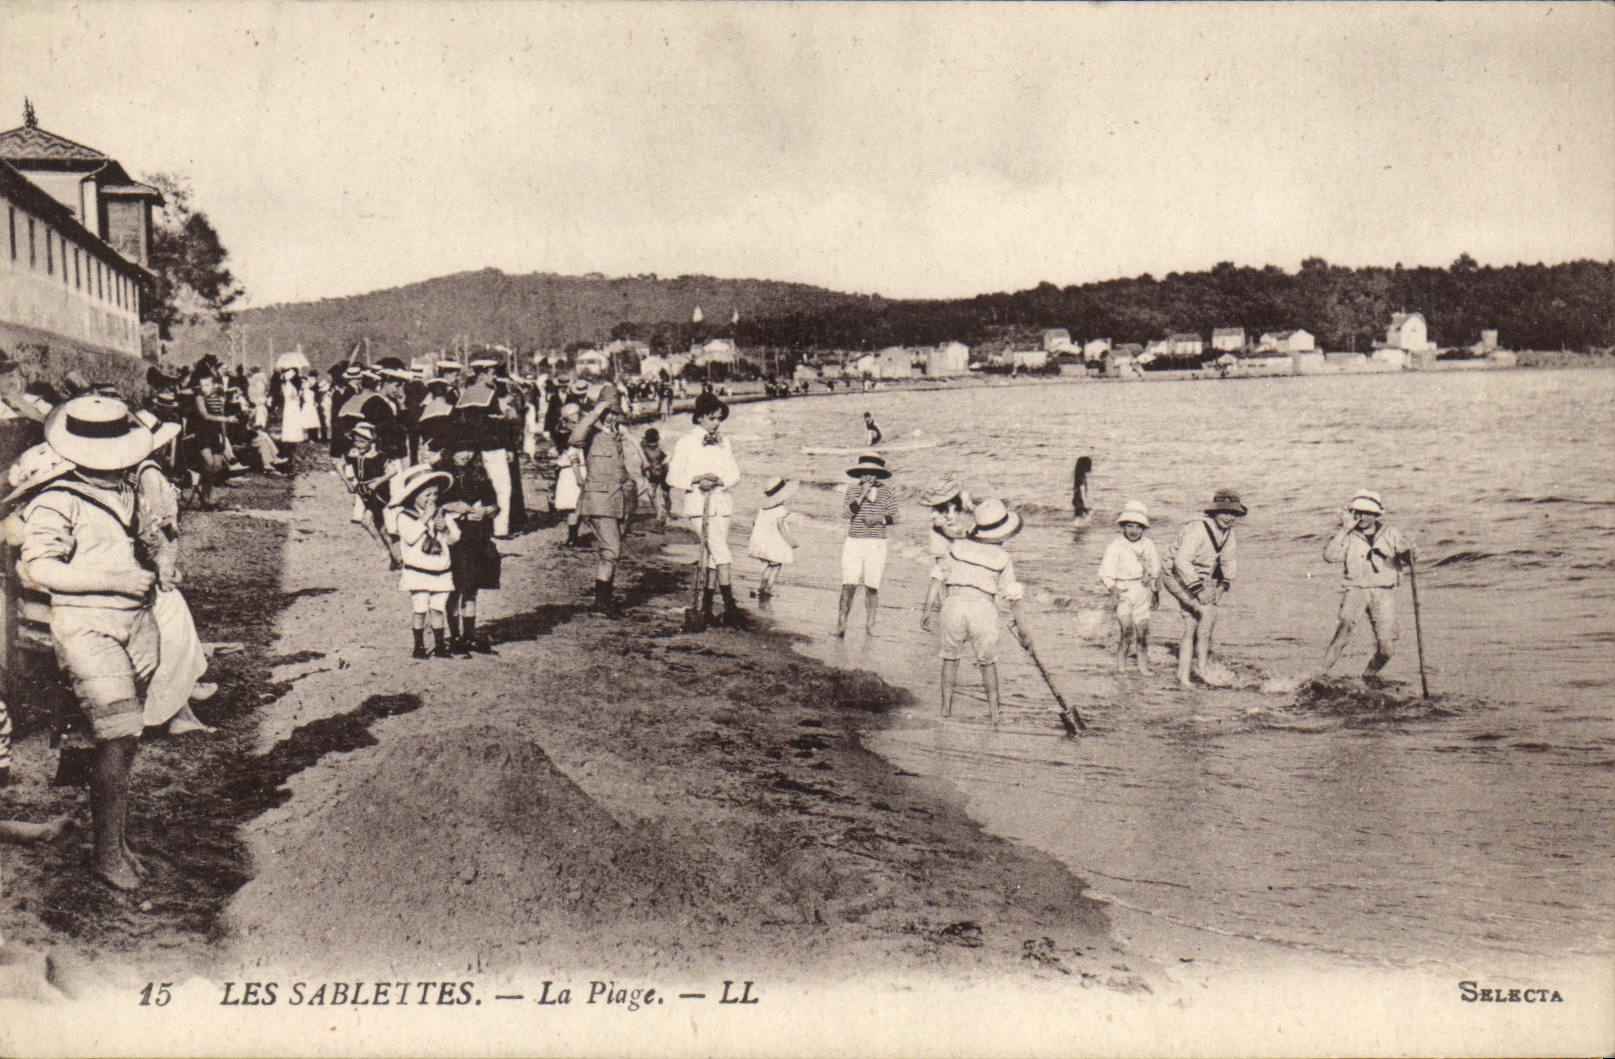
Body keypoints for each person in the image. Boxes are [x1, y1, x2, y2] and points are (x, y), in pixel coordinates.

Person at [17, 396, 158, 890]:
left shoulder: (130, 490)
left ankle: (115, 840)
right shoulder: (58, 499)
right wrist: (117, 580)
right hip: (87, 628)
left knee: (124, 739)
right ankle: (105, 855)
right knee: (117, 737)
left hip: (138, 624)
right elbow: (41, 567)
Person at [132, 412, 217, 734]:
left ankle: (185, 690)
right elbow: (157, 525)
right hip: (142, 570)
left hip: (148, 562)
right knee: (170, 606)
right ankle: (178, 700)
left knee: (172, 603)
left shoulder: (140, 471)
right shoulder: (148, 473)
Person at [924, 498, 1032, 726]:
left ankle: (945, 710)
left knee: (950, 659)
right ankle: (994, 714)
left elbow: (937, 576)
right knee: (987, 663)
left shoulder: (958, 547)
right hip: (983, 609)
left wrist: (926, 610)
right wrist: (1023, 632)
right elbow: (1013, 597)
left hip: (953, 605)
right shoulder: (1002, 558)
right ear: (1004, 533)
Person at [1317, 491, 1418, 680]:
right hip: (1356, 590)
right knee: (1344, 630)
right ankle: (1320, 675)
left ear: (1376, 514)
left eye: (1367, 513)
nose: (1362, 517)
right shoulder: (1349, 534)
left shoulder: (1391, 533)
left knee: (1387, 649)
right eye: (1358, 512)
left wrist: (1408, 550)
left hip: (1383, 592)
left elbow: (1410, 560)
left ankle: (1368, 676)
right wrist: (1344, 529)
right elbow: (1329, 557)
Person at [667, 390, 744, 628]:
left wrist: (720, 480)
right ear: (699, 417)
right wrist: (697, 478)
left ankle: (708, 608)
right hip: (699, 505)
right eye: (712, 418)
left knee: (713, 556)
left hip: (721, 504)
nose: (717, 423)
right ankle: (731, 607)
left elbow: (735, 473)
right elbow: (672, 476)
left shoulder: (724, 442)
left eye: (720, 418)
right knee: (722, 553)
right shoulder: (686, 442)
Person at [1166, 489, 1246, 688]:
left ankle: (1184, 674)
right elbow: (1181, 562)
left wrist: (1222, 586)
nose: (1229, 518)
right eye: (1225, 512)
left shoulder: (1228, 534)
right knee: (1208, 614)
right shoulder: (1198, 529)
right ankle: (1201, 669)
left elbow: (1229, 561)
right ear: (1214, 511)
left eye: (1233, 514)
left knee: (1193, 624)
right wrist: (1199, 591)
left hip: (1197, 576)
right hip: (1174, 574)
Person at [570, 383, 634, 616]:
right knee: (611, 550)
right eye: (608, 414)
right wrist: (596, 412)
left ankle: (605, 599)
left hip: (618, 499)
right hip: (598, 500)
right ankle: (601, 603)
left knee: (612, 552)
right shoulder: (590, 432)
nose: (611, 418)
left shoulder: (615, 434)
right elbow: (574, 439)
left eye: (614, 414)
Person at [439, 427, 501, 654]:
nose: (465, 454)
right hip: (454, 537)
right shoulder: (440, 475)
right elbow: (425, 503)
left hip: (478, 534)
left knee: (472, 587)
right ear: (450, 451)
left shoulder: (479, 473)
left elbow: (495, 504)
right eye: (460, 450)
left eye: (469, 449)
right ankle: (454, 635)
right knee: (454, 587)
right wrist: (449, 506)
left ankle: (469, 634)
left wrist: (486, 511)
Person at [389, 464, 460, 659]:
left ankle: (439, 645)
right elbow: (410, 537)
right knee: (419, 608)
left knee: (438, 608)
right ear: (414, 496)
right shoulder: (405, 516)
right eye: (426, 495)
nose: (431, 499)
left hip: (440, 571)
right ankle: (419, 646)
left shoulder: (441, 514)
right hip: (418, 572)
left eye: (434, 494)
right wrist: (425, 518)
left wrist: (445, 528)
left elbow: (455, 539)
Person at [835, 453, 898, 637]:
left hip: (876, 542)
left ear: (879, 475)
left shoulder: (887, 492)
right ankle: (841, 624)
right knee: (849, 584)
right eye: (865, 473)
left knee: (872, 586)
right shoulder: (852, 491)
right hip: (854, 541)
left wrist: (879, 518)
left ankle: (870, 626)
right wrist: (863, 493)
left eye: (873, 473)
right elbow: (847, 513)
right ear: (859, 474)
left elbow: (895, 516)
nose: (869, 477)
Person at [1099, 500, 1162, 675]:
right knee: (1127, 631)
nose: (1134, 531)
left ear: (1143, 528)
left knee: (1143, 633)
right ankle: (1121, 667)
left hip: (1143, 591)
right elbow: (1105, 572)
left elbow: (1155, 569)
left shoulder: (1148, 544)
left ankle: (1143, 667)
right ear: (1123, 526)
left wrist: (1155, 592)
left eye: (1138, 527)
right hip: (1124, 591)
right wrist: (1113, 590)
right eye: (1130, 526)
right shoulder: (1116, 546)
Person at [341, 421, 401, 568]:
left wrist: (378, 482)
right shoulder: (353, 454)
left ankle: (383, 550)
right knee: (381, 527)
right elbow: (338, 464)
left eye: (363, 441)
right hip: (365, 492)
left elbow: (392, 470)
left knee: (366, 521)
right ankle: (397, 557)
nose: (359, 445)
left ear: (370, 441)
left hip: (379, 492)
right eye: (356, 441)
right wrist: (348, 483)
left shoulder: (377, 456)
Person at [918, 478, 974, 632]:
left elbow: (969, 514)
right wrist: (965, 536)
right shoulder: (936, 512)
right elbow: (945, 531)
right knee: (941, 575)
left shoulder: (958, 505)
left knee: (949, 575)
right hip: (941, 542)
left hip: (955, 541)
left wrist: (968, 505)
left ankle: (945, 608)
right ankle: (939, 609)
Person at [747, 477, 799, 600]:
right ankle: (768, 588)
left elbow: (754, 522)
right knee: (776, 565)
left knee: (768, 565)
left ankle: (762, 586)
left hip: (762, 541)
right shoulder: (780, 509)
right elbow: (781, 527)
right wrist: (790, 541)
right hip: (775, 542)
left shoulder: (762, 508)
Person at [553, 403, 586, 546]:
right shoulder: (574, 435)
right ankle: (573, 536)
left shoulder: (561, 432)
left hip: (567, 471)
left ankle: (572, 537)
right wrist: (579, 476)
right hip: (574, 469)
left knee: (574, 506)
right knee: (577, 505)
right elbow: (574, 457)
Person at [1071, 455, 1094, 528]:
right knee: (1082, 519)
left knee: (1078, 518)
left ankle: (1077, 529)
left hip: (1077, 499)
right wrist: (1085, 504)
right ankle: (1078, 530)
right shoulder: (1081, 477)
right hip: (1079, 500)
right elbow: (1082, 490)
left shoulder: (1078, 475)